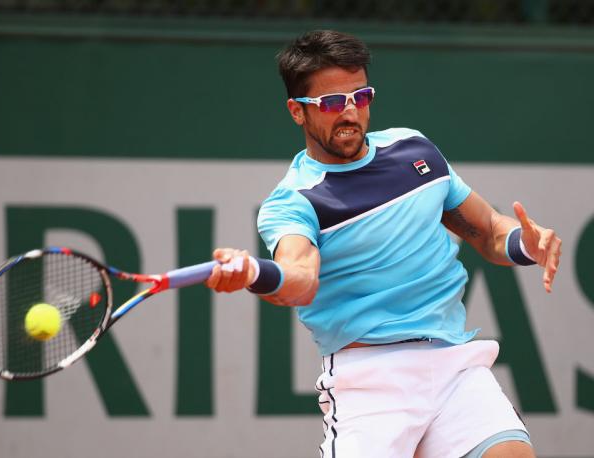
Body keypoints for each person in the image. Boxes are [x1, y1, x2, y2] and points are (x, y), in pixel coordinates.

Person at [205, 30, 562, 458]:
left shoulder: (415, 152)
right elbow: (300, 279)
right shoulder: (293, 202)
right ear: (297, 111)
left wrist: (526, 244)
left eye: (360, 97)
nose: (350, 113)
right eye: (332, 103)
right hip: (369, 381)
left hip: (452, 362)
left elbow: (487, 230)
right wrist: (254, 273)